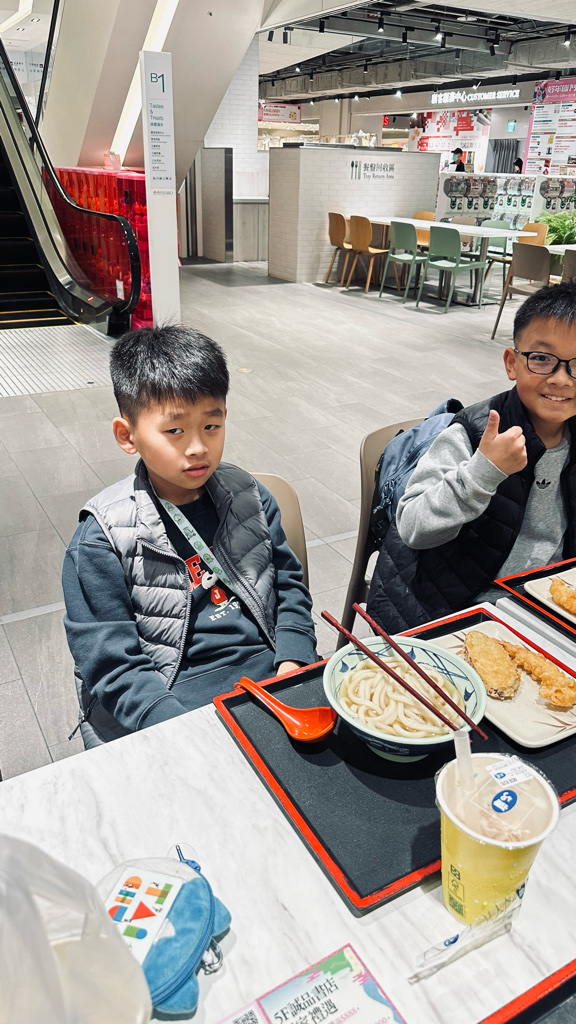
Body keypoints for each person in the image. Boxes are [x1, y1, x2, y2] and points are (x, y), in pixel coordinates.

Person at [62, 325, 317, 741]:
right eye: (175, 431)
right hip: (168, 698)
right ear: (127, 435)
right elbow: (112, 663)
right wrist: (180, 728)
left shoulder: (251, 497)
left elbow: (288, 586)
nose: (198, 447)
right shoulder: (101, 540)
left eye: (211, 426)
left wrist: (293, 660)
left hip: (270, 670)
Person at [367, 281, 576, 634]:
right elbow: (412, 526)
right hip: (457, 607)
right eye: (541, 359)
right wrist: (482, 473)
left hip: (547, 602)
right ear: (512, 363)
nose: (561, 379)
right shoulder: (473, 432)